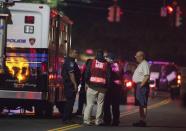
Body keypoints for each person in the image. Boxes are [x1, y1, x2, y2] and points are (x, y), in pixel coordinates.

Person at [83, 50, 111, 126]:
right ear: (103, 55)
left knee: (90, 104)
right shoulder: (106, 64)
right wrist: (107, 86)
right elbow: (109, 77)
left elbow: (86, 74)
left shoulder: (91, 62)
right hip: (102, 87)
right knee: (100, 104)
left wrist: (87, 83)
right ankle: (98, 121)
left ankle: (87, 120)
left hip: (92, 86)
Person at [104, 53, 123, 126]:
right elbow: (121, 75)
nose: (106, 59)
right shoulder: (119, 65)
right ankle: (116, 121)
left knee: (106, 104)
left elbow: (108, 75)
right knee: (115, 105)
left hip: (110, 86)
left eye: (107, 58)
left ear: (110, 59)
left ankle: (107, 120)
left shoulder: (109, 65)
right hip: (117, 87)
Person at [61, 49, 81, 123]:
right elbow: (71, 73)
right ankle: (66, 118)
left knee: (71, 102)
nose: (77, 54)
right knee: (70, 102)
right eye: (76, 53)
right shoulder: (70, 62)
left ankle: (67, 118)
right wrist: (75, 84)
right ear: (71, 53)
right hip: (70, 85)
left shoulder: (71, 61)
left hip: (70, 84)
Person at [132, 51, 150, 127]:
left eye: (137, 56)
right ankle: (141, 120)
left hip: (142, 86)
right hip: (139, 85)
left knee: (143, 104)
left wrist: (141, 85)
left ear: (141, 56)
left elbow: (147, 76)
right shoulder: (141, 64)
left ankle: (143, 121)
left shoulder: (145, 64)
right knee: (140, 103)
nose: (136, 57)